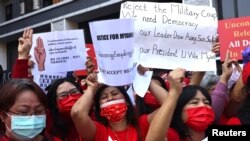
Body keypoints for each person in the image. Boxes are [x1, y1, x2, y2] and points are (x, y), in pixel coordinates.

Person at [71, 69, 170, 141]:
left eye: (115, 93)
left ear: (126, 101)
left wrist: (146, 79)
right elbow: (77, 113)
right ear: (99, 107)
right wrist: (91, 89)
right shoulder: (97, 132)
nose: (110, 98)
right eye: (104, 97)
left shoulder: (142, 124)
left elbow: (169, 104)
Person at [146, 69, 215, 141]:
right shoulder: (172, 136)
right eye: (194, 102)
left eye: (206, 102)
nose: (202, 106)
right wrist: (174, 92)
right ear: (180, 110)